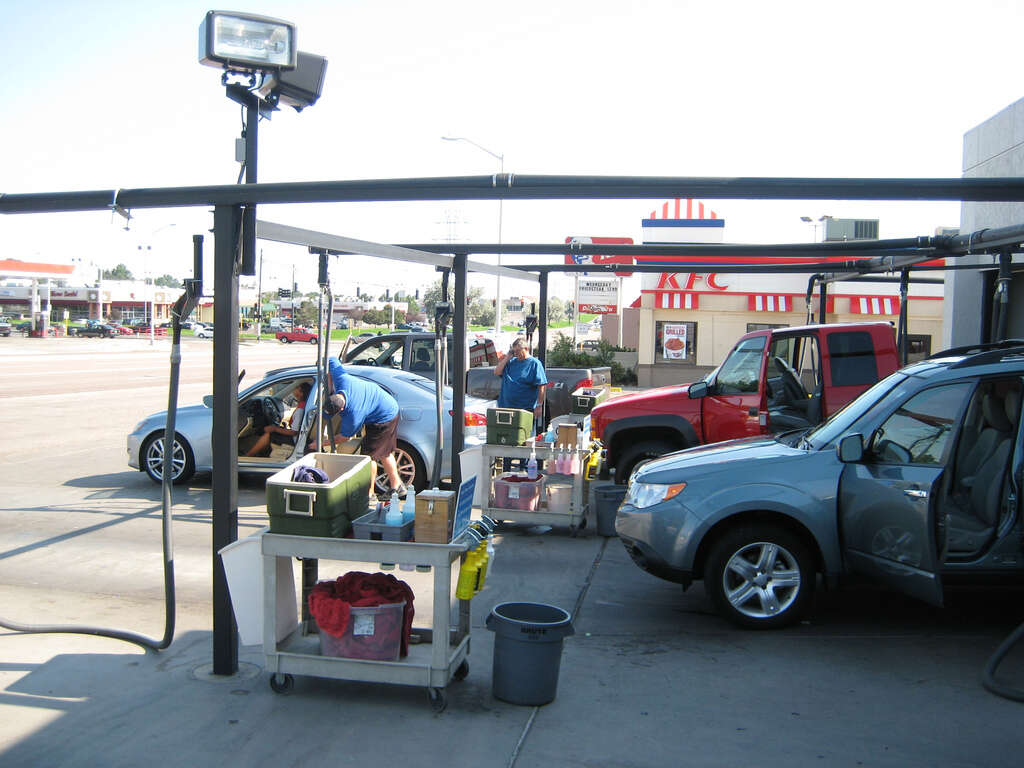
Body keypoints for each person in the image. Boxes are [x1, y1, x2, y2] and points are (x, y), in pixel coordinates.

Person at [327, 357, 405, 499]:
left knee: (368, 457)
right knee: (384, 452)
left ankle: (369, 494)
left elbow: (345, 437)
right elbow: (331, 360)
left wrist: (321, 443)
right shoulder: (342, 379)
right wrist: (330, 384)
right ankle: (397, 486)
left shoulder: (353, 413)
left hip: (383, 418)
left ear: (342, 408)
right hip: (388, 407)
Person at [244, 382, 311, 457]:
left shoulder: (300, 411)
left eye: (296, 388)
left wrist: (275, 429)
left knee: (269, 435)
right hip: (297, 438)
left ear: (301, 393)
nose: (294, 389)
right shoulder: (303, 406)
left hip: (294, 440)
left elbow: (293, 432)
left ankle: (248, 455)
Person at [494, 336, 548, 423]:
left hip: (525, 409)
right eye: (514, 351)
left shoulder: (534, 364)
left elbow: (542, 385)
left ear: (526, 349)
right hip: (505, 408)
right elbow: (497, 372)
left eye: (518, 351)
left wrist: (539, 405)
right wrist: (507, 357)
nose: (516, 354)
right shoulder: (511, 362)